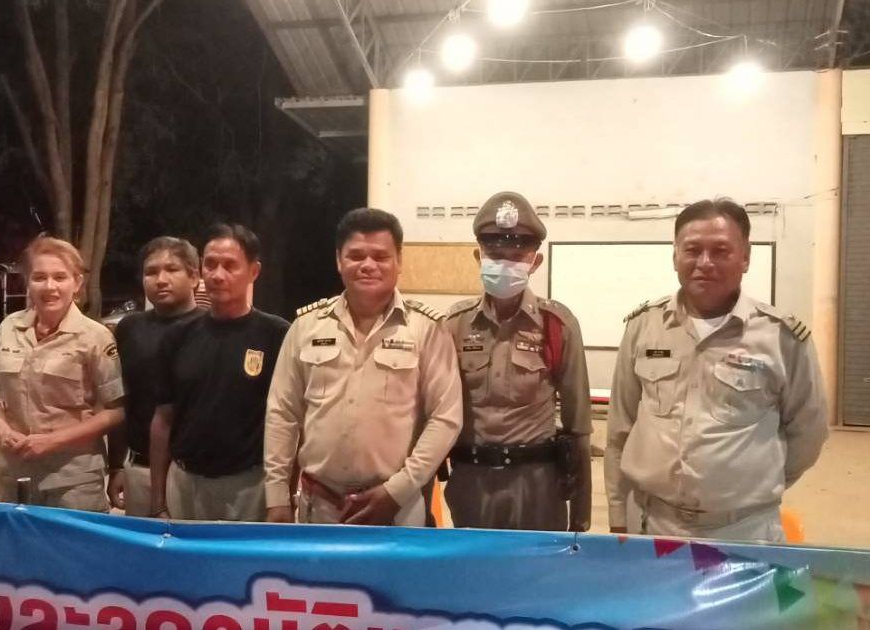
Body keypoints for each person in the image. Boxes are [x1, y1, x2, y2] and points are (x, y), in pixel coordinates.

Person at [605, 198, 829, 541]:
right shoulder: (644, 327)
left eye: (720, 251)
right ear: (675, 256)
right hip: (651, 523)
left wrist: (752, 485)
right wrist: (618, 514)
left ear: (746, 257)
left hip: (743, 530)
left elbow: (808, 432)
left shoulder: (781, 337)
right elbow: (620, 428)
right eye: (692, 250)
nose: (704, 263)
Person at [264, 208, 463, 526]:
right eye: (356, 255)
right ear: (338, 260)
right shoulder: (306, 327)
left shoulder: (426, 329)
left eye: (380, 256)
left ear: (399, 261)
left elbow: (445, 418)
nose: (368, 265)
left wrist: (397, 491)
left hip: (398, 506)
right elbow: (282, 413)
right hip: (320, 505)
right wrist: (276, 497)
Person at [444, 191, 592, 532]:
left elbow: (579, 427)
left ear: (534, 262)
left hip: (537, 485)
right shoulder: (454, 325)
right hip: (471, 482)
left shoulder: (557, 325)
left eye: (516, 257)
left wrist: (581, 514)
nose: (505, 265)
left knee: (536, 565)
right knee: (473, 564)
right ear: (478, 257)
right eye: (496, 256)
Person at [147, 224, 289, 521]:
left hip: (250, 485)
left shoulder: (276, 334)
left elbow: (290, 421)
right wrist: (158, 500)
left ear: (253, 271)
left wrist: (284, 496)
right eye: (210, 264)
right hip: (185, 483)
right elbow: (163, 418)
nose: (217, 274)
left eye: (229, 265)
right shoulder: (178, 336)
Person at [0, 236, 124, 511]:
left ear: (77, 283)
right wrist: (3, 430)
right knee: (18, 539)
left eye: (60, 277)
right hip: (15, 473)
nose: (50, 286)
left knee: (71, 541)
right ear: (28, 282)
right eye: (39, 277)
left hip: (73, 479)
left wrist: (53, 441)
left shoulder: (95, 336)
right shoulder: (9, 328)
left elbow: (116, 410)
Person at [107, 236, 201, 516]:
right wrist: (116, 465)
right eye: (151, 272)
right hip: (139, 469)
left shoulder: (209, 329)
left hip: (193, 476)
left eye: (172, 269)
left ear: (194, 276)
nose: (161, 280)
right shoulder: (130, 329)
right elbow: (121, 400)